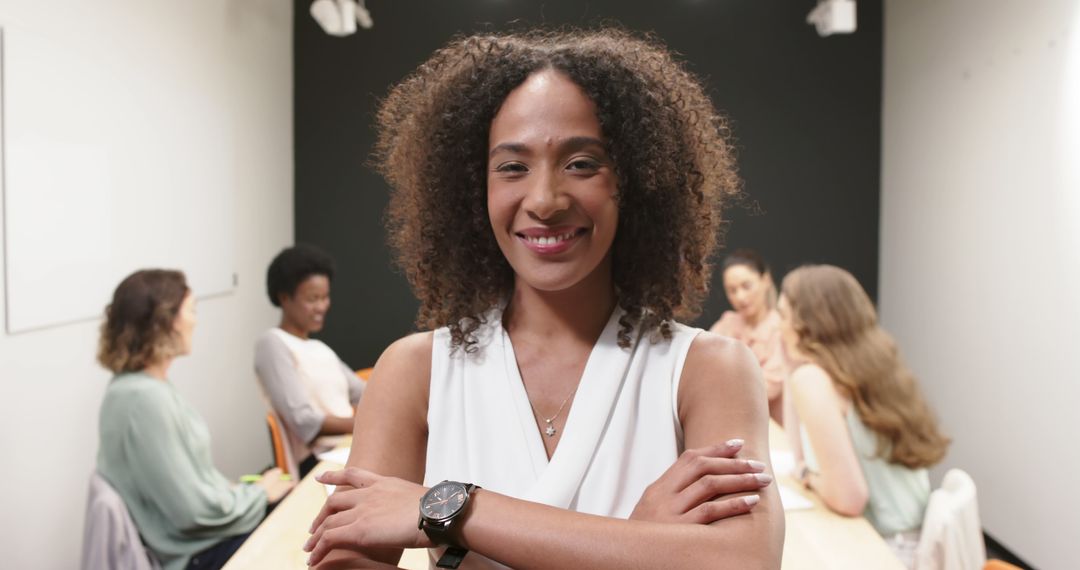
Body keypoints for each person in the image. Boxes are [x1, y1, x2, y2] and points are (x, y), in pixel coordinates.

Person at [303, 29, 785, 569]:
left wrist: (452, 510)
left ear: (638, 181)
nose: (545, 200)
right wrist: (638, 543)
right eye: (512, 167)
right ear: (471, 189)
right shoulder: (414, 372)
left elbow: (745, 561)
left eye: (582, 163)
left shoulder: (709, 370)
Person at [96, 269, 294, 570]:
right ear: (164, 323)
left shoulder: (136, 386)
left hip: (196, 541)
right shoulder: (144, 400)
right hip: (194, 555)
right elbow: (192, 513)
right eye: (192, 310)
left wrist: (241, 491)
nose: (196, 320)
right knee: (300, 538)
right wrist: (259, 494)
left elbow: (185, 484)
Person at [777, 265, 949, 567]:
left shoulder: (814, 379)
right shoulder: (872, 365)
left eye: (782, 315)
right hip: (918, 541)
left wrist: (807, 477)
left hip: (885, 552)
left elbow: (848, 498)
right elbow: (800, 454)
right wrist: (791, 368)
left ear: (806, 322)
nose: (778, 327)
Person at [255, 244, 365, 477]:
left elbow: (363, 392)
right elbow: (303, 420)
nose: (322, 306)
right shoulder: (273, 344)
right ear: (284, 298)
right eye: (313, 298)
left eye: (325, 297)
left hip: (345, 448)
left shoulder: (319, 348)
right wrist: (362, 425)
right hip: (317, 462)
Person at [710, 249, 789, 424]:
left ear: (765, 280)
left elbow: (767, 389)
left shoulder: (782, 329)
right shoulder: (726, 324)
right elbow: (704, 372)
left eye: (746, 286)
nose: (740, 297)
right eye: (732, 290)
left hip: (773, 431)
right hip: (727, 424)